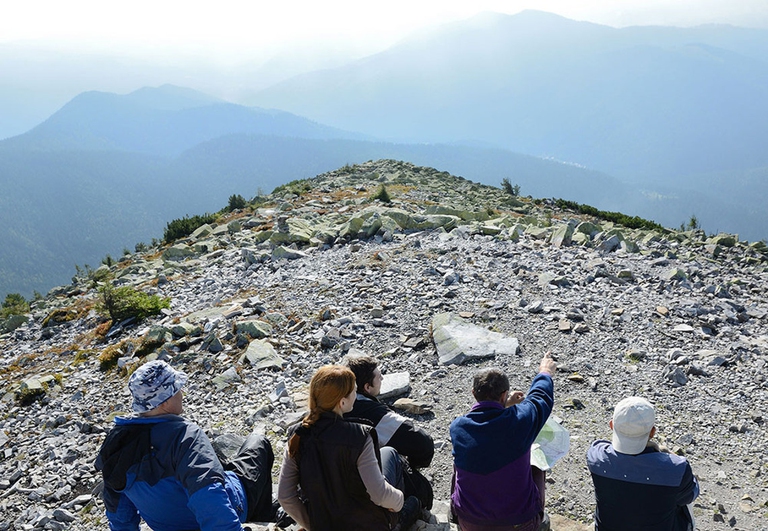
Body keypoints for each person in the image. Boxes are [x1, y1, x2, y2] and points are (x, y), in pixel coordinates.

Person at [95, 360, 276, 531]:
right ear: (165, 401)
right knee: (258, 444)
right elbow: (208, 494)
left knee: (216, 457)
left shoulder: (117, 442)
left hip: (166, 526)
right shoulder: (185, 437)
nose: (181, 393)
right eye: (177, 388)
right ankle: (264, 515)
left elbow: (118, 508)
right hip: (233, 508)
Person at [277, 365, 421, 531]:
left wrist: (313, 525)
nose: (356, 395)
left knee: (388, 453)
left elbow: (285, 496)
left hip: (325, 523)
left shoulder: (297, 435)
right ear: (342, 401)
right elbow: (379, 494)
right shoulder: (360, 435)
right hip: (368, 525)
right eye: (354, 391)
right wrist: (399, 501)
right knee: (391, 456)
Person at [450, 353, 557, 531]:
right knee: (537, 463)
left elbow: (487, 427)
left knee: (460, 463)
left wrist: (504, 405)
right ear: (504, 394)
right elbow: (540, 398)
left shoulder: (458, 428)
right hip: (519, 523)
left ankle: (455, 516)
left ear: (474, 393)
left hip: (470, 522)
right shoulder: (521, 421)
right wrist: (545, 371)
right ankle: (539, 521)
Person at [587, 397, 700, 531]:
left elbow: (604, 446)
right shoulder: (678, 468)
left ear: (611, 425)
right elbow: (692, 494)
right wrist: (666, 453)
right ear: (652, 432)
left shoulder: (595, 455)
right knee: (681, 498)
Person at [343, 355, 435, 469]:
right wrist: (413, 466)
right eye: (379, 377)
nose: (382, 379)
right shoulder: (374, 413)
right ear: (367, 387)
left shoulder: (334, 403)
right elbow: (424, 442)